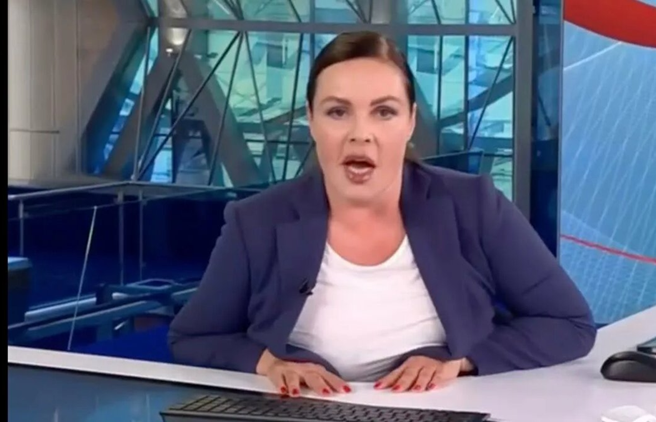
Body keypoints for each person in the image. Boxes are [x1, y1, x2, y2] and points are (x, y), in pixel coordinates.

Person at [168, 31, 596, 397]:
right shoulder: (256, 221)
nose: (361, 134)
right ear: (312, 120)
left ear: (410, 122)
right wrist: (268, 363)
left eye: (384, 112)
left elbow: (568, 323)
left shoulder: (473, 205)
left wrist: (463, 361)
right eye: (338, 112)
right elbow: (194, 337)